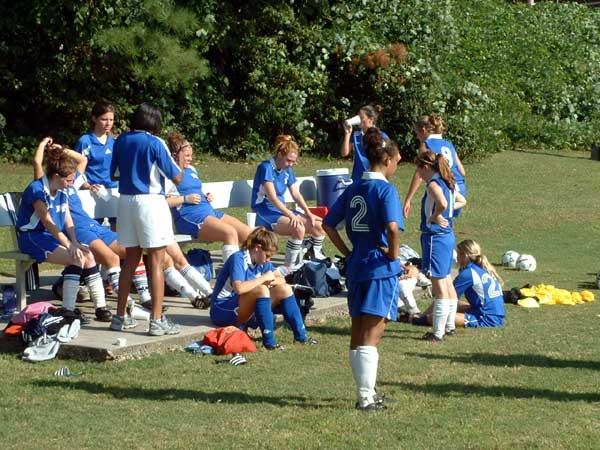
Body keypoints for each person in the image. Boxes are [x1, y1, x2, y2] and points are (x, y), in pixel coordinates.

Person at [324, 128, 404, 411]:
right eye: (396, 160)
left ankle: (366, 392)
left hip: (357, 265)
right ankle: (366, 397)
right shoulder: (385, 189)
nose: (398, 164)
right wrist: (394, 255)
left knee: (357, 332)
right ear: (386, 160)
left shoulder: (353, 187)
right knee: (372, 335)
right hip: (378, 268)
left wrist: (347, 251)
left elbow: (328, 224)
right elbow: (393, 227)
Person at [109, 102, 183, 336]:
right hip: (150, 201)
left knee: (130, 260)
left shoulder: (121, 140)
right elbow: (177, 177)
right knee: (157, 261)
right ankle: (157, 320)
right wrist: (179, 160)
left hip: (126, 201)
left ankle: (120, 316)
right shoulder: (155, 142)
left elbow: (114, 173)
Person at [16, 139, 108, 318]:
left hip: (51, 236)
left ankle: (101, 307)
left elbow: (67, 218)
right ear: (56, 176)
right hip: (32, 237)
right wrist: (69, 246)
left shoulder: (63, 188)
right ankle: (68, 309)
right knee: (76, 257)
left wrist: (74, 241)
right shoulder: (37, 190)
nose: (71, 184)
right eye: (68, 180)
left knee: (88, 255)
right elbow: (49, 222)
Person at [210, 227, 317, 350]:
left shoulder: (262, 262)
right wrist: (264, 279)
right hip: (222, 309)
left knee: (285, 289)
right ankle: (269, 342)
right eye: (267, 255)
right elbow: (239, 288)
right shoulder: (239, 258)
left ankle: (301, 336)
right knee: (262, 289)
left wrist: (269, 280)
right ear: (258, 248)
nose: (268, 260)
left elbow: (281, 279)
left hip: (241, 306)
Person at [165, 131, 251, 263]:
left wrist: (205, 195)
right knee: (230, 233)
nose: (190, 158)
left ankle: (250, 271)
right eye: (187, 155)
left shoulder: (192, 169)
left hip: (208, 212)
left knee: (248, 234)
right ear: (175, 155)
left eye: (191, 155)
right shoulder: (169, 174)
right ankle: (232, 278)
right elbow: (161, 202)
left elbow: (195, 189)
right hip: (191, 217)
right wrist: (185, 199)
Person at [251, 135, 326, 268]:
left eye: (293, 161)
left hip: (281, 211)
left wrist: (308, 213)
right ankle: (289, 268)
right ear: (279, 155)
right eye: (288, 161)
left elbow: (296, 194)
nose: (291, 164)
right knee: (298, 228)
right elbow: (273, 198)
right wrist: (291, 215)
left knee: (319, 226)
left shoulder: (287, 170)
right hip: (264, 211)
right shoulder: (266, 167)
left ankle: (314, 256)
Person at [414, 150, 466, 342]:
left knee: (439, 286)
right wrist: (447, 213)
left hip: (435, 237)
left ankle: (437, 333)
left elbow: (443, 203)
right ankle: (450, 326)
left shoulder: (434, 184)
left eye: (419, 170)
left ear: (426, 167)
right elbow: (461, 201)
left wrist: (435, 216)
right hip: (447, 236)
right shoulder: (448, 182)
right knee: (446, 281)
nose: (418, 174)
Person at [412, 239, 505, 328]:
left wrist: (423, 315)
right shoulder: (482, 269)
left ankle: (417, 320)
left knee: (436, 317)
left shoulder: (468, 273)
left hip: (487, 317)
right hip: (491, 312)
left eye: (458, 254)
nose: (456, 257)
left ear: (464, 255)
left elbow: (446, 297)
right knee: (458, 304)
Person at [403, 114, 466, 219]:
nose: (417, 137)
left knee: (431, 223)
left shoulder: (426, 144)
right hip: (458, 187)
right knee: (446, 222)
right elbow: (462, 172)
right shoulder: (448, 144)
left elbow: (419, 173)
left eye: (417, 133)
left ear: (423, 130)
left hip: (441, 186)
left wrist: (408, 199)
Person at [339, 105, 388, 183]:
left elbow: (391, 157)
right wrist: (347, 133)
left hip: (374, 178)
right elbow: (344, 153)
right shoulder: (356, 135)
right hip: (357, 179)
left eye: (361, 117)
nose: (359, 120)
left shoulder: (381, 136)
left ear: (370, 119)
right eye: (358, 117)